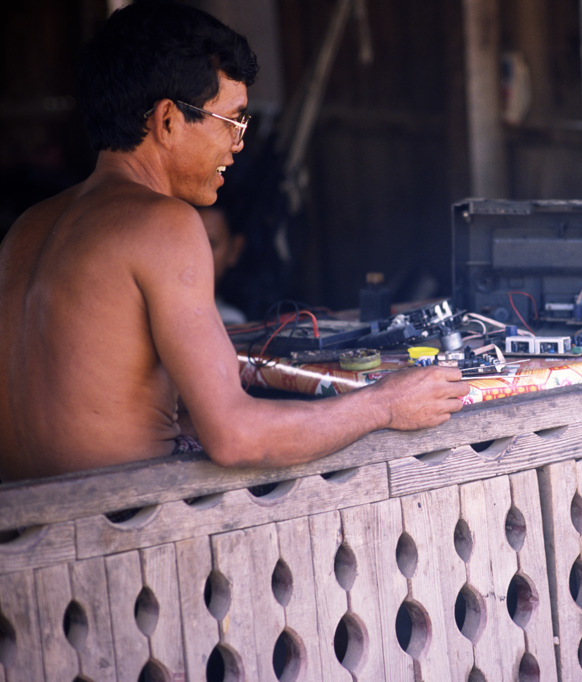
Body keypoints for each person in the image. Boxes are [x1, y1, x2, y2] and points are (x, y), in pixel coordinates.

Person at [0, 0, 468, 482]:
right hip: (122, 534)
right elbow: (236, 437)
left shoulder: (27, 228)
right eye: (232, 122)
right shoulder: (163, 224)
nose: (239, 144)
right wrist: (386, 403)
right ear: (168, 121)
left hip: (26, 537)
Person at [198, 202, 247, 325]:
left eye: (211, 244)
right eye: (187, 241)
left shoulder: (231, 321)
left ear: (235, 249)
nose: (196, 254)